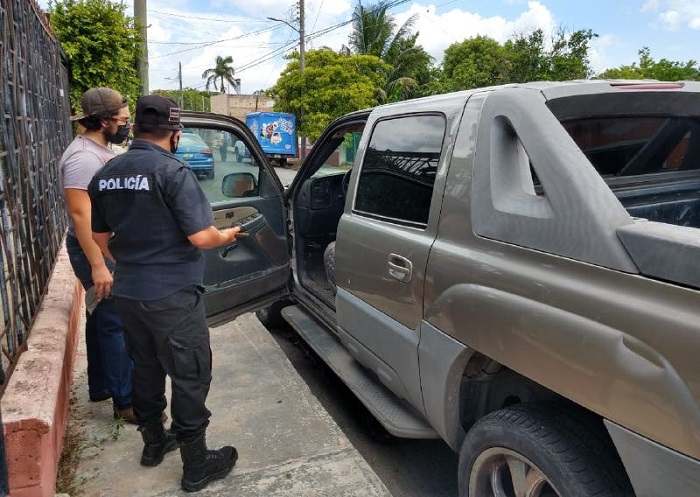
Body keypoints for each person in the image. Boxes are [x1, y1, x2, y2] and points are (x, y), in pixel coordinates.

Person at [87, 95, 241, 492]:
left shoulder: (107, 172)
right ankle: (196, 466)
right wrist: (227, 234)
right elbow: (202, 236)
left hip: (129, 293)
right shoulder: (174, 172)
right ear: (176, 134)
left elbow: (99, 235)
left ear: (134, 128)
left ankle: (155, 444)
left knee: (146, 367)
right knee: (190, 373)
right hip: (172, 295)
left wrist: (130, 261)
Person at [59, 87, 136, 424]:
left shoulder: (101, 150)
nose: (126, 124)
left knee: (100, 316)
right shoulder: (83, 158)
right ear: (103, 121)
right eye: (122, 119)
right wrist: (98, 265)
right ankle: (127, 402)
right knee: (114, 321)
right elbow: (80, 215)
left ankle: (101, 385)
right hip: (94, 249)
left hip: (103, 247)